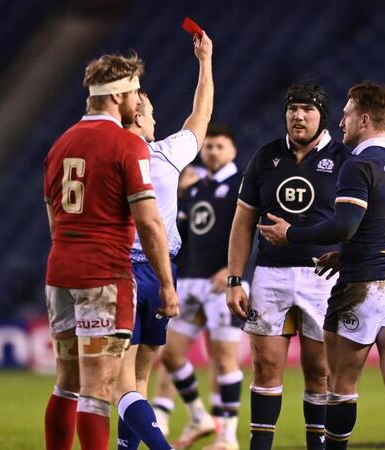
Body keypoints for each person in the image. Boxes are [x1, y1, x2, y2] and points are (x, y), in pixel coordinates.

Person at [257, 81, 385, 450]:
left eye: (347, 115)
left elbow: (343, 226)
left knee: (341, 387)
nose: (341, 123)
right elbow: (381, 229)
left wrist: (291, 235)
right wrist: (345, 253)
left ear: (365, 120)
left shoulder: (359, 164)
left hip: (366, 286)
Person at [43, 52, 178, 450]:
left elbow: (54, 218)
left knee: (66, 384)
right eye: (135, 92)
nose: (139, 101)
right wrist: (167, 285)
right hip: (104, 276)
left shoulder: (60, 144)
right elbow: (151, 223)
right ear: (119, 96)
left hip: (60, 273)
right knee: (98, 390)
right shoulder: (126, 146)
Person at [225, 81, 350, 450]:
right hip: (270, 274)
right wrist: (235, 278)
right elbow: (243, 221)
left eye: (307, 109)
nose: (298, 115)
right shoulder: (265, 157)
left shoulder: (344, 159)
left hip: (322, 277)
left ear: (322, 116)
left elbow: (356, 221)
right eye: (293, 108)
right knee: (264, 368)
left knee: (320, 372)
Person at [113, 30, 214, 450]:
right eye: (150, 112)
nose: (155, 119)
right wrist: (205, 62)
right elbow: (201, 116)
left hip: (121, 268)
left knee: (121, 385)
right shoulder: (167, 153)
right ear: (138, 116)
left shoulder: (109, 153)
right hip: (161, 271)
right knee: (139, 378)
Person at [153, 123, 245, 450]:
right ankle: (197, 414)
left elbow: (253, 232)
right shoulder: (193, 188)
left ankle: (227, 437)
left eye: (220, 146)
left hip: (221, 282)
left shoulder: (241, 186)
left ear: (232, 150)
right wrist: (178, 195)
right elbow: (180, 236)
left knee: (223, 361)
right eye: (208, 147)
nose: (213, 151)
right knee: (172, 355)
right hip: (189, 280)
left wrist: (234, 271)